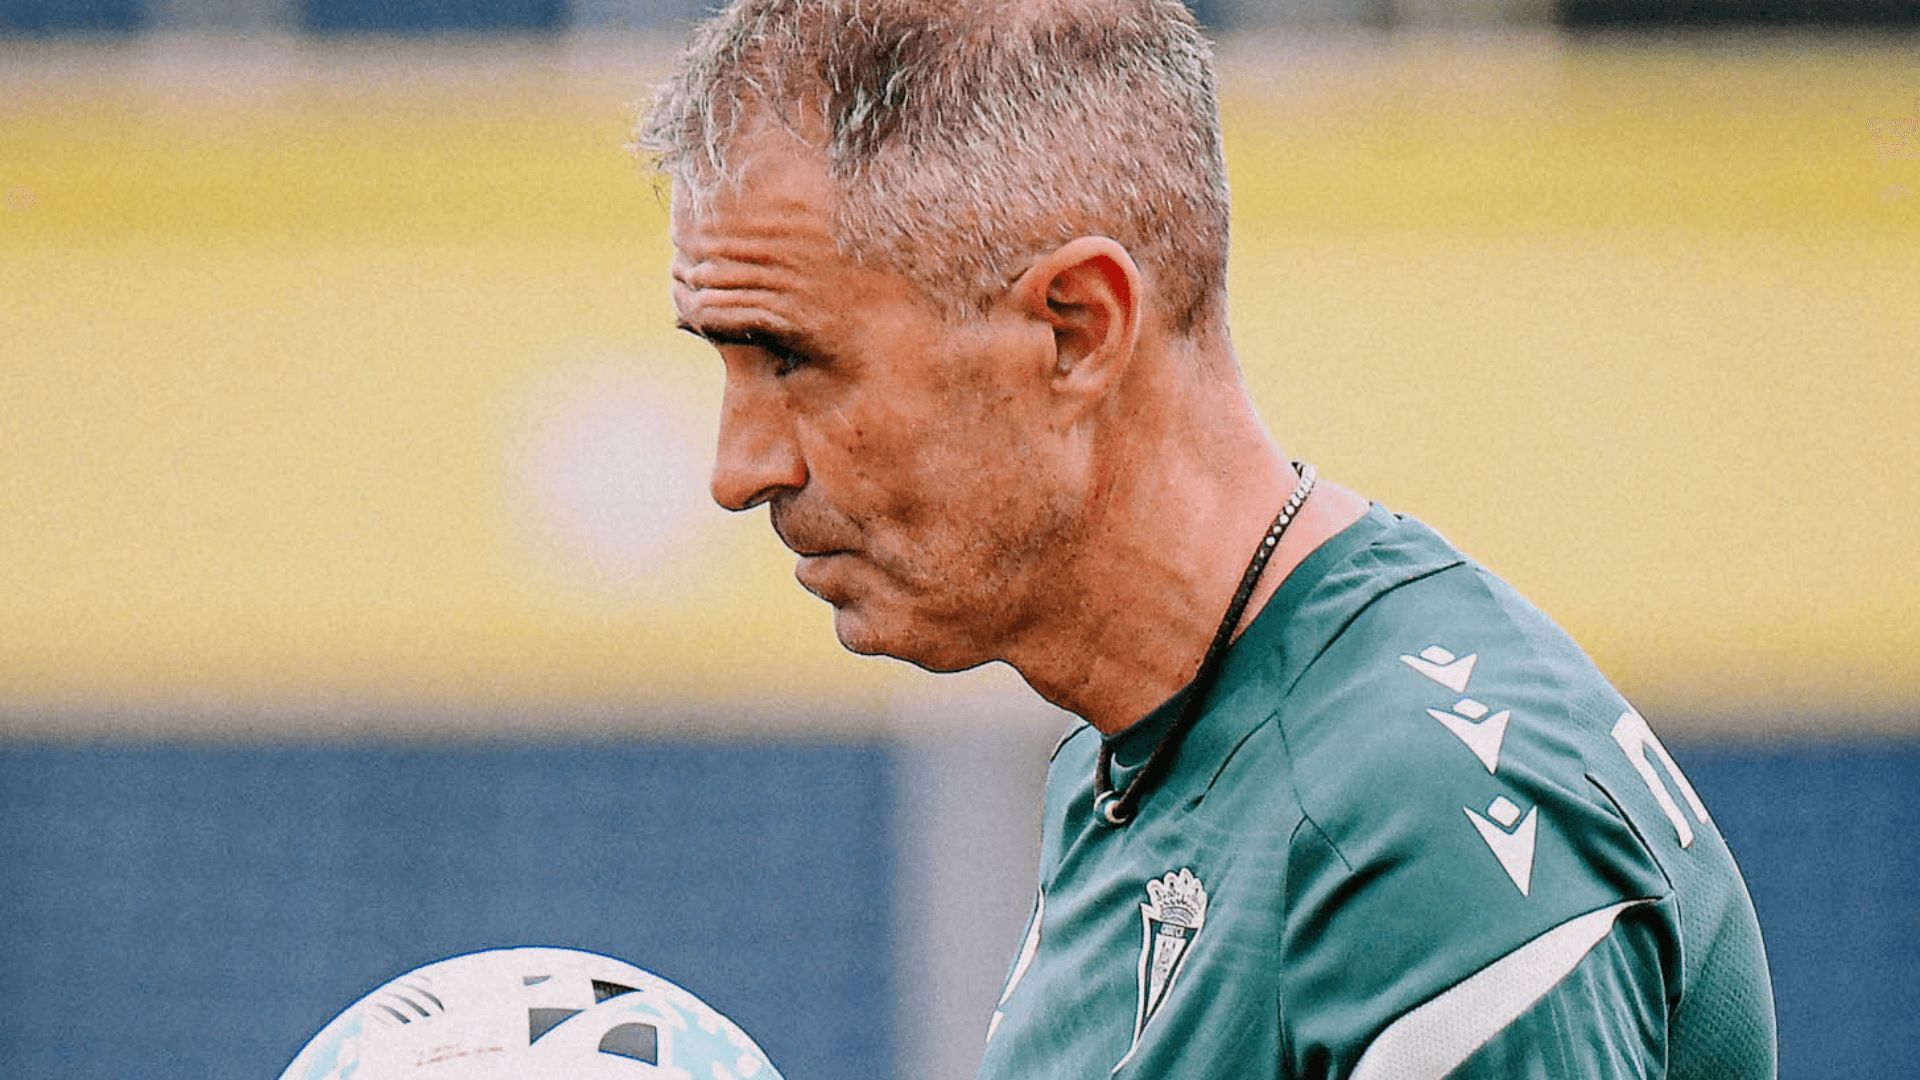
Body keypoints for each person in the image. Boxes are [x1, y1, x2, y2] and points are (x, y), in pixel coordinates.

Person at [635, 1, 1778, 1076]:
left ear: (1076, 330)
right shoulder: (1132, 759)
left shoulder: (1415, 839)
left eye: (790, 358)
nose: (740, 470)